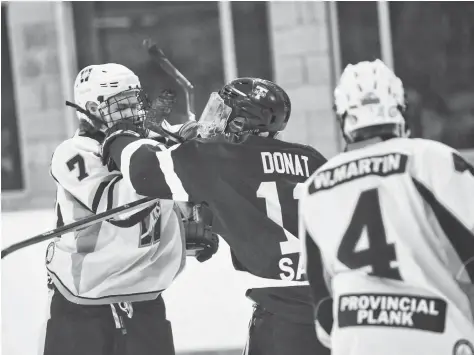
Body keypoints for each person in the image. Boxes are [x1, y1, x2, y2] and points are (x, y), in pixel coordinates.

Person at [99, 77, 330, 355]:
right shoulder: (313, 160)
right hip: (336, 311)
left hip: (282, 324)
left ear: (238, 125)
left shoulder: (218, 158)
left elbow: (143, 171)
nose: (212, 121)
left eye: (221, 113)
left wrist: (118, 135)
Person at [299, 59, 474, 355]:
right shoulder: (430, 158)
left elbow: (322, 300)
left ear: (343, 118)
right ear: (399, 110)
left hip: (357, 343)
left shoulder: (315, 185)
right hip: (438, 336)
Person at [42, 63, 217, 355]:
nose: (132, 112)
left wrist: (186, 227)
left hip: (144, 300)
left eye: (134, 102)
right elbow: (123, 209)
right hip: (83, 306)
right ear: (91, 109)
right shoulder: (73, 154)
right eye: (120, 105)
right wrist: (166, 158)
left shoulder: (145, 147)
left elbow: (159, 204)